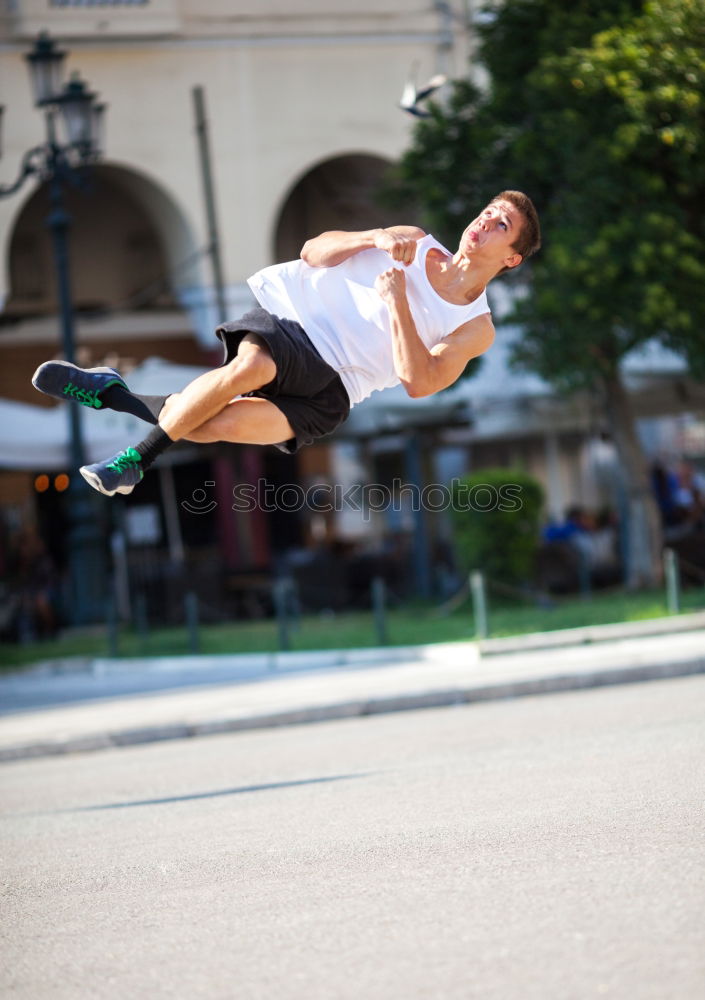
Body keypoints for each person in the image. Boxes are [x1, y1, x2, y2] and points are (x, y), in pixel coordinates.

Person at [32, 190, 541, 497]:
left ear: (512, 258)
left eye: (502, 225)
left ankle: (114, 395)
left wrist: (399, 304)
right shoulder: (411, 239)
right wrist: (373, 238)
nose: (484, 222)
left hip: (338, 390)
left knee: (215, 425)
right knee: (248, 370)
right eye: (488, 211)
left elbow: (420, 383)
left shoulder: (476, 326)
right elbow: (312, 251)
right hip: (298, 327)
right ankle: (135, 460)